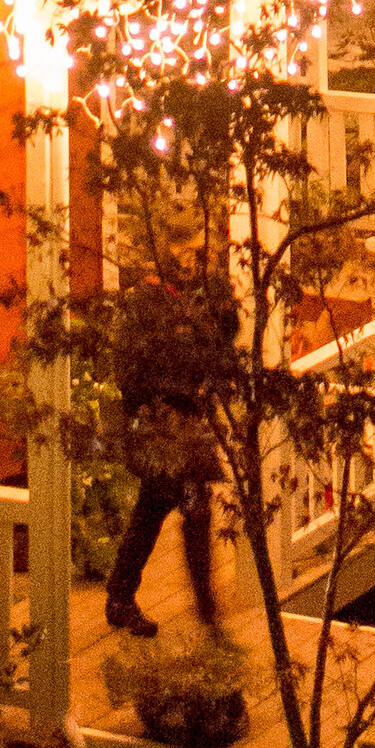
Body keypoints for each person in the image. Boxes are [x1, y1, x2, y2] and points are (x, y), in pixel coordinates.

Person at [102, 269, 223, 637]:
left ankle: (121, 598)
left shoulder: (189, 299)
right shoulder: (142, 306)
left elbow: (210, 350)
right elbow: (132, 376)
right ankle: (205, 609)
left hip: (182, 425)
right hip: (160, 425)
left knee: (153, 507)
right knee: (193, 505)